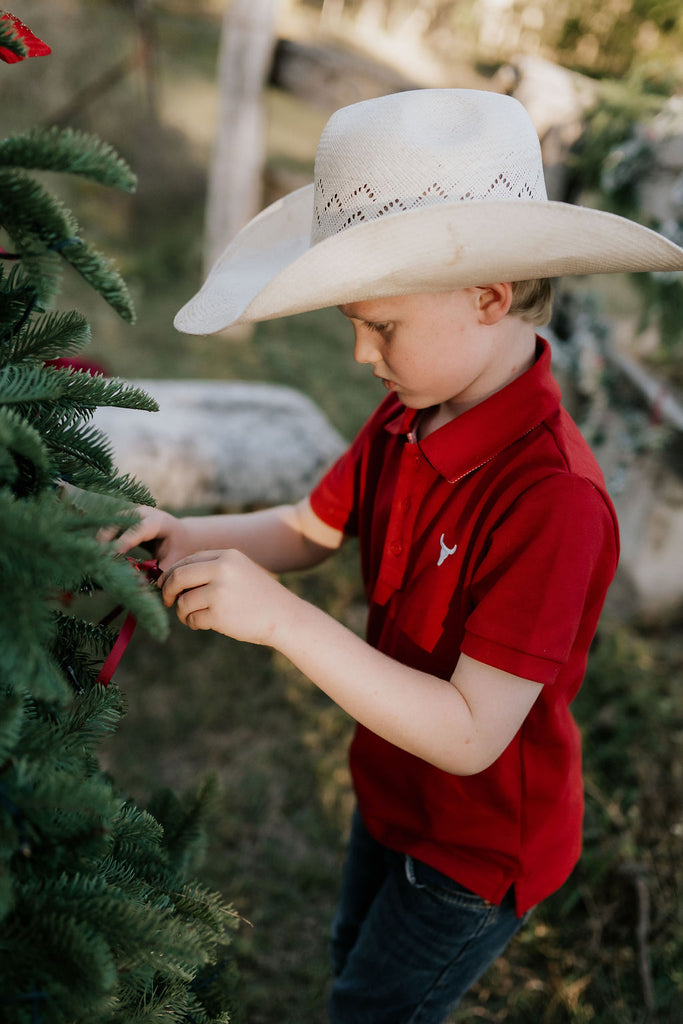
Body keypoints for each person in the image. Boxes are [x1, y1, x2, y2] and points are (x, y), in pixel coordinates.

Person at [111, 90, 683, 1023]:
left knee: (373, 1008)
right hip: (392, 791)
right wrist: (188, 533)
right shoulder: (412, 413)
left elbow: (469, 731)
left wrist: (287, 624)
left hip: (475, 848)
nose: (358, 354)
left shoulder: (553, 500)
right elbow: (311, 526)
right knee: (353, 957)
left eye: (380, 326)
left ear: (488, 297)